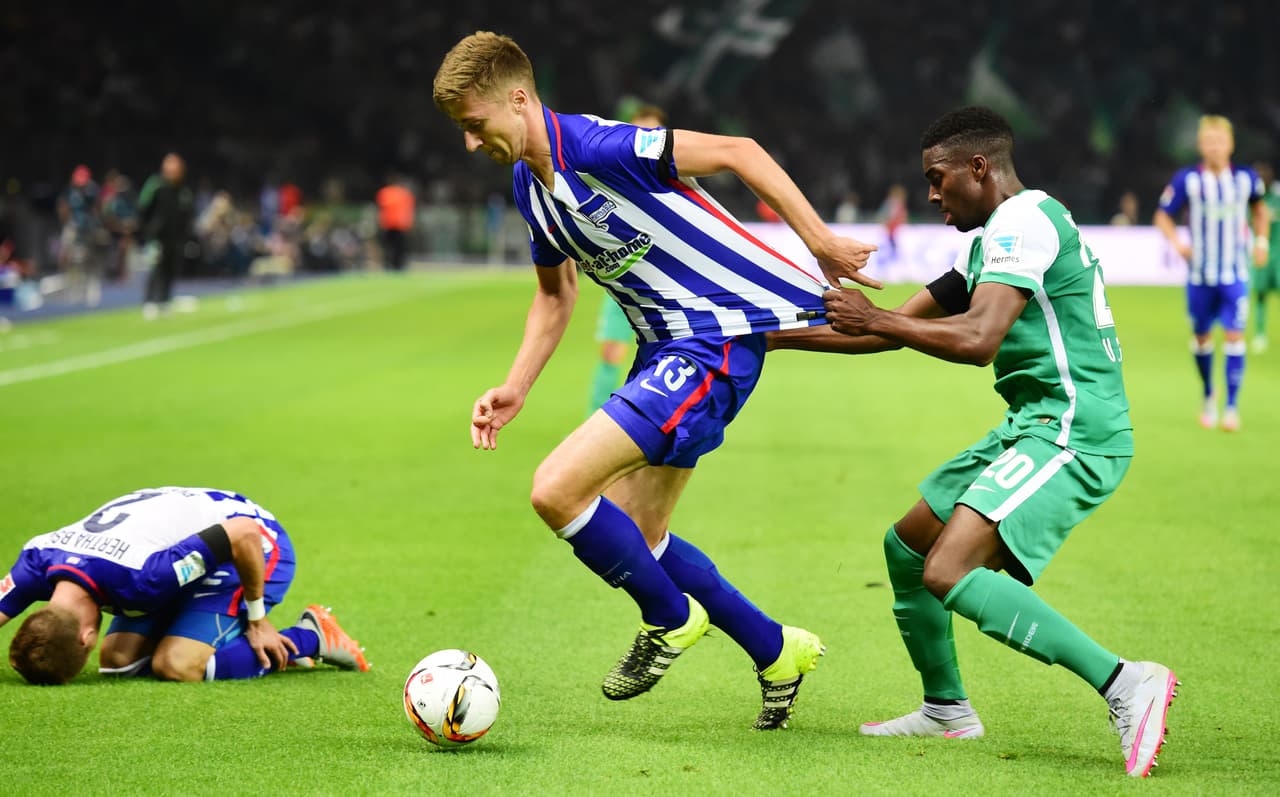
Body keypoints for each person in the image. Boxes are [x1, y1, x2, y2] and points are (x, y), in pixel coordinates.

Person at [432, 31, 878, 729]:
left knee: (556, 489)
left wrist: (820, 242)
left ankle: (668, 618)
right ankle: (776, 649)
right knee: (642, 531)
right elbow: (555, 296)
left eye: (474, 124)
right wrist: (517, 384)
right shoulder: (530, 185)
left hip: (707, 348)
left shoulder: (600, 147)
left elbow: (739, 151)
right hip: (666, 350)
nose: (469, 143)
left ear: (517, 99)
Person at [815, 107, 1176, 777]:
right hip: (1031, 422)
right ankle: (946, 707)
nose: (930, 194)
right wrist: (751, 334)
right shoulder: (987, 243)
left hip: (1074, 427)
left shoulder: (1025, 223)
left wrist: (876, 316)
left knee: (947, 570)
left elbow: (978, 341)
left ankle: (1126, 680)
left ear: (978, 168)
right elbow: (882, 329)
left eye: (936, 178)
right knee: (908, 545)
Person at [0, 486, 369, 684]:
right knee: (118, 663)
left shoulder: (142, 578)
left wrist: (257, 618)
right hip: (175, 551)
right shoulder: (36, 559)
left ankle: (312, 637)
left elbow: (242, 534)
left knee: (176, 666)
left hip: (253, 545)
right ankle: (192, 626)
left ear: (85, 637)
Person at [1153, 115, 1267, 431]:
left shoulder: (1246, 178)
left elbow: (1260, 210)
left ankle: (1231, 407)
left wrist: (1261, 242)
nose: (1215, 148)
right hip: (1200, 276)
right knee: (1202, 338)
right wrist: (1177, 242)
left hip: (1235, 273)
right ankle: (1207, 394)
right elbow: (1163, 215)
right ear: (1202, 145)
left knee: (1234, 335)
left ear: (1230, 144)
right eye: (1209, 142)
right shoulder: (1187, 179)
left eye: (1220, 141)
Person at [585, 104, 668, 417]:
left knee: (662, 358)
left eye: (654, 133)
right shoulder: (611, 178)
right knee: (610, 353)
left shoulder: (671, 182)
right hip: (622, 283)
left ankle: (653, 429)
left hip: (664, 286)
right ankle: (594, 424)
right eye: (640, 133)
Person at [138, 153, 196, 319]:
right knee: (156, 267)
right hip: (157, 237)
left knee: (170, 268)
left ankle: (164, 300)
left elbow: (187, 212)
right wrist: (148, 229)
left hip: (175, 237)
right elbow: (143, 206)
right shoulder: (156, 185)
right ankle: (149, 302)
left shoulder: (183, 190)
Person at [1249, 162, 1280, 353]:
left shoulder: (1277, 198)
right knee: (1260, 294)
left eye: (1264, 176)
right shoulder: (1253, 202)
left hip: (1278, 256)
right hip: (1261, 254)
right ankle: (1260, 334)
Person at [376, 175, 415, 272]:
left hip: (389, 224)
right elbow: (408, 210)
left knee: (389, 247)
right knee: (399, 247)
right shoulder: (405, 193)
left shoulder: (384, 192)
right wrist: (408, 223)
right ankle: (398, 266)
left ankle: (389, 265)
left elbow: (381, 209)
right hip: (398, 225)